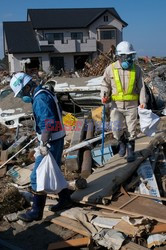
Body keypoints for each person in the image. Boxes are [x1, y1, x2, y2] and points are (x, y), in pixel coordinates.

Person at [10, 72, 72, 222]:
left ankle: (36, 211)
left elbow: (48, 122)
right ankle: (65, 199)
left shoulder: (40, 98)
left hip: (51, 140)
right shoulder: (43, 92)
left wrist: (43, 143)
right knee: (54, 171)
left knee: (37, 176)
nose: (21, 97)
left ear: (27, 87)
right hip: (56, 138)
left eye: (21, 93)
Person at [101, 41, 147, 162]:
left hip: (132, 106)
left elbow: (141, 87)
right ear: (120, 56)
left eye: (131, 56)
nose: (130, 59)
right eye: (127, 56)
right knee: (116, 129)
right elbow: (105, 85)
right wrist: (104, 95)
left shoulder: (136, 69)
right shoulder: (110, 69)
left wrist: (143, 102)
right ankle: (121, 142)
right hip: (116, 106)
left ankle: (130, 150)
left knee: (131, 130)